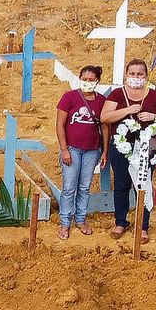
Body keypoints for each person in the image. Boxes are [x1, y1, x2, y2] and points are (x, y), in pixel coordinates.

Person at [101, 57, 156, 242]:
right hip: (121, 146)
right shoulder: (117, 94)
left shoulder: (154, 95)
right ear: (126, 75)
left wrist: (153, 116)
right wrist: (127, 111)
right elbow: (105, 117)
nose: (136, 77)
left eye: (140, 74)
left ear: (146, 76)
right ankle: (120, 222)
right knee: (121, 184)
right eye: (132, 74)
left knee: (142, 184)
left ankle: (142, 226)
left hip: (145, 147)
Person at [55, 64, 106, 239]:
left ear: (97, 81)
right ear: (79, 78)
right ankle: (65, 223)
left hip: (92, 150)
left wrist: (104, 151)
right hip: (72, 149)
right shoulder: (69, 97)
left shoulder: (101, 101)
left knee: (84, 187)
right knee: (69, 187)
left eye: (91, 80)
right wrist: (64, 149)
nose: (87, 82)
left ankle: (81, 219)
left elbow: (105, 127)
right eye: (84, 79)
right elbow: (60, 124)